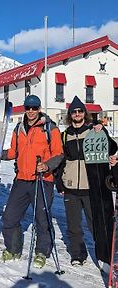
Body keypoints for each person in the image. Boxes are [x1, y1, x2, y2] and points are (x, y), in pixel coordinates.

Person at [1, 94, 63, 268]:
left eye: (34, 108)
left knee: (42, 218)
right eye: (28, 108)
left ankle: (42, 252)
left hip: (43, 180)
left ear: (39, 109)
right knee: (9, 216)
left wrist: (47, 165)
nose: (31, 111)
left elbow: (59, 154)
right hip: (21, 179)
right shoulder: (18, 128)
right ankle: (13, 249)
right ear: (24, 108)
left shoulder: (50, 128)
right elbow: (14, 152)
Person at [56, 96, 117, 269]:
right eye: (74, 111)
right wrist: (59, 182)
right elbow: (61, 161)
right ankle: (77, 254)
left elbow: (111, 148)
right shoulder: (64, 135)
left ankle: (104, 256)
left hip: (90, 186)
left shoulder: (93, 131)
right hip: (70, 187)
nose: (77, 114)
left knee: (96, 223)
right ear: (70, 114)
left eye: (80, 111)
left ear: (85, 113)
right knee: (74, 226)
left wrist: (102, 131)